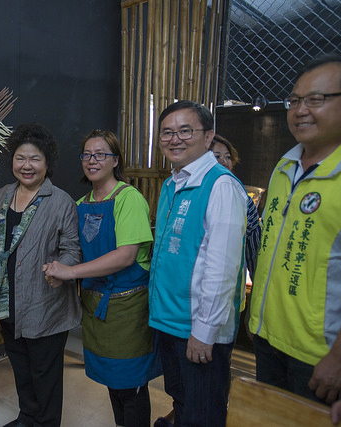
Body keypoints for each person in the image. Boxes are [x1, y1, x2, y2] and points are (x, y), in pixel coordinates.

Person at [248, 54, 341, 404]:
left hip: (320, 356)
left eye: (316, 99)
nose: (300, 110)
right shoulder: (285, 165)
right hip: (268, 340)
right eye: (294, 101)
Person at [0, 123, 81, 427]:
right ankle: (27, 417)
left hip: (44, 305)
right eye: (20, 158)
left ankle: (46, 423)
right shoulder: (3, 195)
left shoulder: (61, 202)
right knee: (22, 370)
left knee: (45, 376)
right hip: (6, 304)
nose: (27, 165)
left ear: (47, 163)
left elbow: (71, 250)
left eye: (35, 159)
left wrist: (61, 270)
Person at [43, 130, 159, 427]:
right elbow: (75, 251)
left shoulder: (128, 198)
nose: (92, 160)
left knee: (131, 384)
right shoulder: (81, 204)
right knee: (113, 383)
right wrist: (59, 271)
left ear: (115, 161)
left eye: (101, 154)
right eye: (87, 155)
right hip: (95, 308)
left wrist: (70, 272)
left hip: (127, 309)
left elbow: (125, 256)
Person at [148, 100, 248, 427]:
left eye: (185, 131)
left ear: (208, 137)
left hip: (199, 329)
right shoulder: (172, 182)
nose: (175, 139)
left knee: (202, 413)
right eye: (167, 132)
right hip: (171, 321)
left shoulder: (221, 185)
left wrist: (204, 332)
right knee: (182, 402)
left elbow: (222, 267)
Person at [209, 135, 262, 280]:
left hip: (229, 279)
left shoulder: (243, 197)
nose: (224, 161)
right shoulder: (193, 193)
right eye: (217, 156)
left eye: (228, 157)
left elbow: (253, 243)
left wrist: (256, 278)